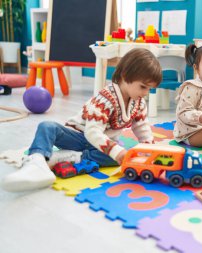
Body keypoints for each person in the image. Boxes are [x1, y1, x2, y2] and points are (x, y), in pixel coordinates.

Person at [2, 48, 162, 192]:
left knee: (121, 155)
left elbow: (142, 128)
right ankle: (36, 161)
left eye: (149, 88)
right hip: (79, 135)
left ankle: (69, 157)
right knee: (47, 126)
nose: (146, 92)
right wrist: (115, 151)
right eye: (143, 87)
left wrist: (151, 151)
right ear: (125, 76)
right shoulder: (106, 98)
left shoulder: (138, 102)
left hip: (99, 144)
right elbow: (92, 132)